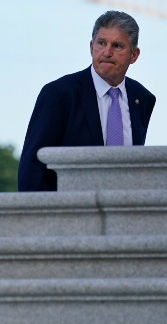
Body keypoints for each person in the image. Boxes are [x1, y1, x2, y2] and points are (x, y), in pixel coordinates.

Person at [18, 10, 156, 191]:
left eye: (117, 46)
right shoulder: (59, 94)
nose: (107, 52)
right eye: (101, 43)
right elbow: (32, 166)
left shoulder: (142, 99)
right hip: (69, 212)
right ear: (91, 47)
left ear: (134, 55)